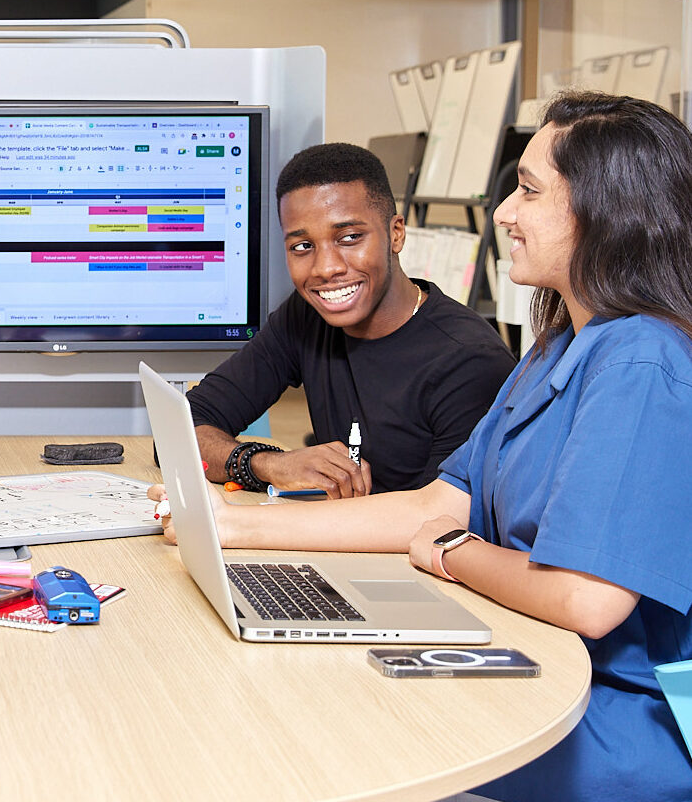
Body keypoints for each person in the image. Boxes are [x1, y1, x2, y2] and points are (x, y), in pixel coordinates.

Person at [161, 92, 692, 802]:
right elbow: (440, 500)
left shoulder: (639, 362)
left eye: (528, 191)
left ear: (604, 210)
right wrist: (228, 524)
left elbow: (584, 599)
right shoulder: (557, 348)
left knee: (313, 736)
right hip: (538, 662)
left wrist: (449, 550)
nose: (503, 212)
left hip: (610, 717)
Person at [186, 142, 515, 497]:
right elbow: (183, 429)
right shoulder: (305, 316)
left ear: (396, 234)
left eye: (349, 238)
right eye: (302, 246)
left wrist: (239, 527)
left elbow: (440, 519)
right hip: (337, 544)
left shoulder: (469, 361)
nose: (326, 268)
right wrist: (268, 464)